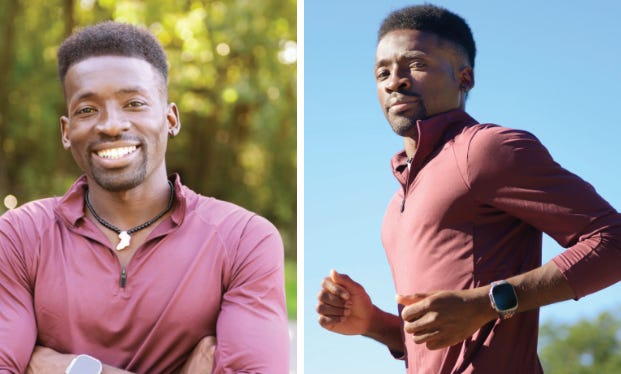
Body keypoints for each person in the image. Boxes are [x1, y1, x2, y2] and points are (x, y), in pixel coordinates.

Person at [316, 4, 621, 373]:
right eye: (382, 71)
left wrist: (487, 302)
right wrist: (373, 324)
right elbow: (443, 341)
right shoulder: (396, 203)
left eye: (416, 64)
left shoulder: (485, 149)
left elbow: (613, 241)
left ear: (465, 78)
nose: (394, 81)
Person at [0, 21, 289, 374]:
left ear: (170, 118)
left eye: (134, 103)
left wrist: (68, 368)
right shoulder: (18, 237)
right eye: (87, 109)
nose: (110, 124)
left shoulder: (244, 239)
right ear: (66, 131)